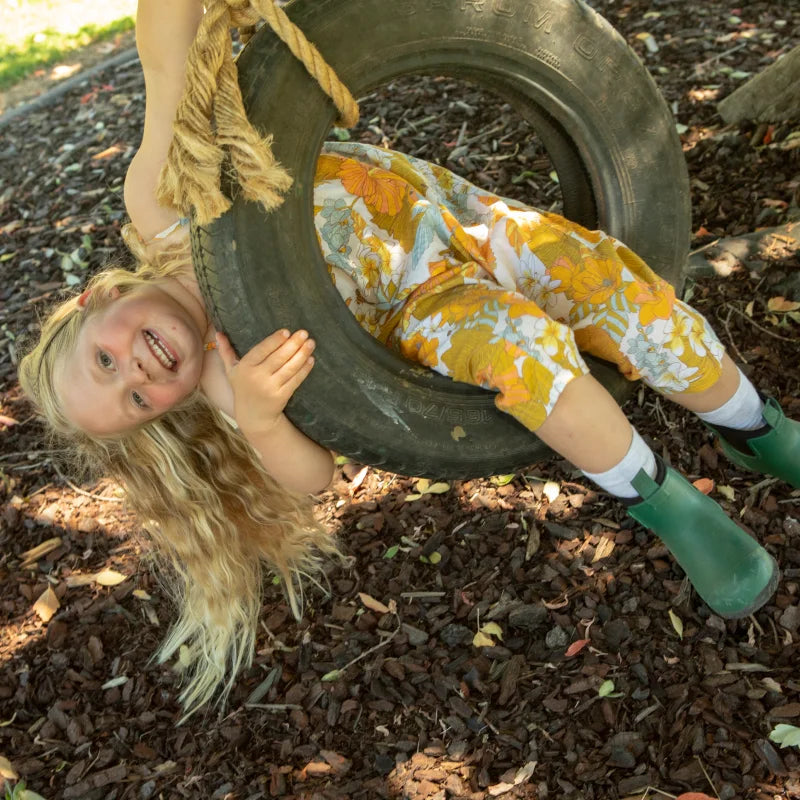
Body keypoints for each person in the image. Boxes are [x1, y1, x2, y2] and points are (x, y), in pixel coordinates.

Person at [18, 0, 800, 717]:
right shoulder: (230, 377)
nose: (141, 376)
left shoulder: (162, 211)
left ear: (96, 302)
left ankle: (756, 427)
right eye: (138, 403)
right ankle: (669, 504)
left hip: (472, 223)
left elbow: (167, 65)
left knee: (628, 296)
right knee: (525, 354)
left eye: (106, 362)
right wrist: (260, 419)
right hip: (423, 308)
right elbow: (311, 478)